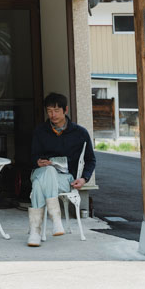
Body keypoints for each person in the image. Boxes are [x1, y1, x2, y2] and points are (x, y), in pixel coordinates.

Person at [27, 92, 95, 247]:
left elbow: (90, 160)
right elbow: (31, 156)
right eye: (49, 111)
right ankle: (56, 220)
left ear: (65, 110)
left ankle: (35, 233)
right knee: (48, 171)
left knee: (38, 185)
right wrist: (37, 161)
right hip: (41, 172)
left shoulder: (80, 133)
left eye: (56, 111)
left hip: (65, 179)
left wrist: (84, 178)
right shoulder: (40, 131)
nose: (53, 115)